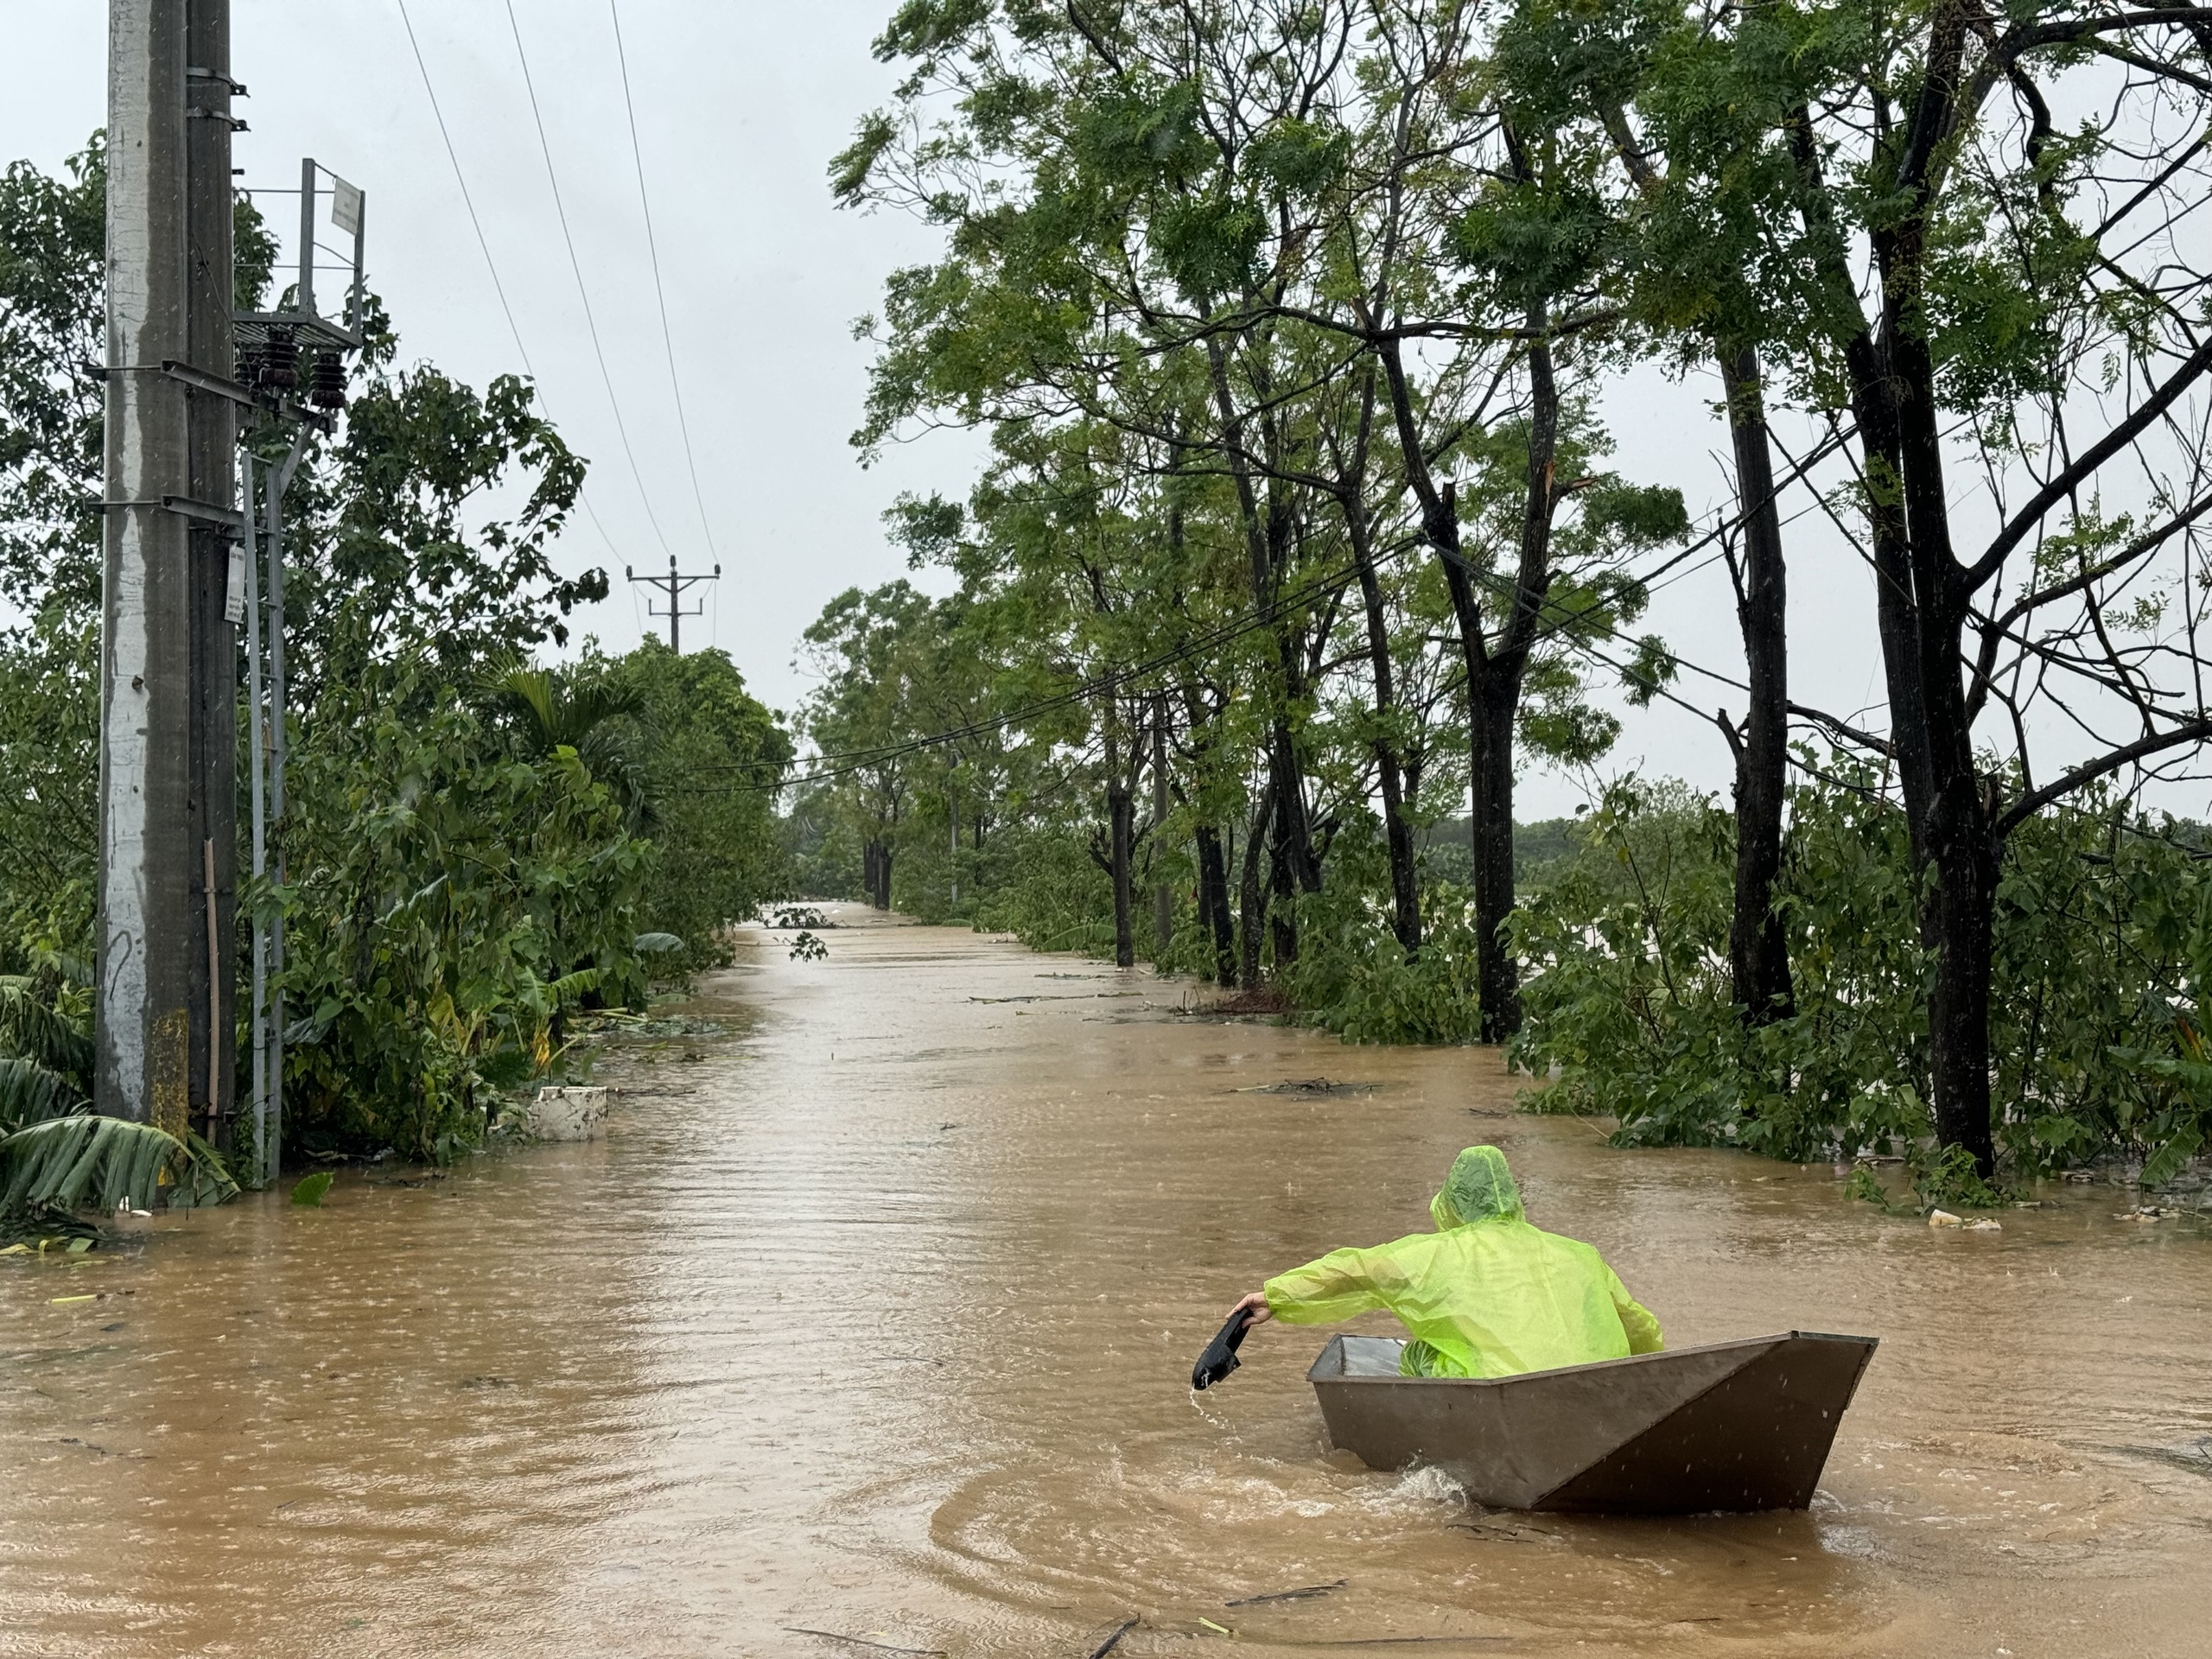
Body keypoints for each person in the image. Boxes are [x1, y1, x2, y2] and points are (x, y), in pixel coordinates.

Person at [1226, 1145, 1664, 1378]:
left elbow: (1353, 1269)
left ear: (1453, 1205)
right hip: (1597, 1388)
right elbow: (1638, 1326)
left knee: (1419, 1353)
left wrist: (1277, 1296)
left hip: (1498, 1390)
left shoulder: (1434, 1254)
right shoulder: (1578, 1254)